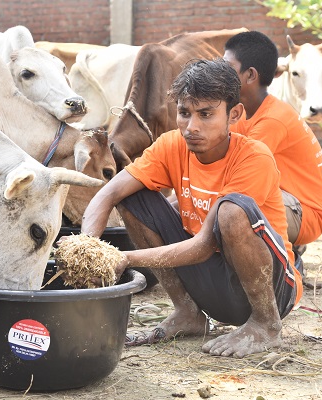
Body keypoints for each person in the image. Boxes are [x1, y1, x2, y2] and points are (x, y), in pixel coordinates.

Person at [77, 58, 302, 358]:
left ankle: (266, 326)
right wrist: (87, 248)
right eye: (184, 113)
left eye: (206, 114)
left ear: (234, 114)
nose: (192, 127)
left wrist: (123, 257)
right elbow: (107, 195)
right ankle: (188, 313)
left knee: (231, 211)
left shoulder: (253, 157)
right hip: (211, 282)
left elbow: (205, 244)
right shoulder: (171, 145)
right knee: (131, 195)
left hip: (271, 288)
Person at [223, 31, 322, 265]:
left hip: (304, 212)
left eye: (227, 70)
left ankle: (284, 262)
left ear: (250, 75)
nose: (220, 77)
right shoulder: (243, 113)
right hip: (284, 198)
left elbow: (238, 176)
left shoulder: (273, 120)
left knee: (233, 204)